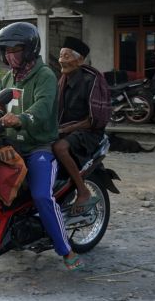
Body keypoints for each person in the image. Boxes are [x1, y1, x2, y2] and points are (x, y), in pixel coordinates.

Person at [0, 22, 83, 271]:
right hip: (13, 145)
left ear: (30, 49)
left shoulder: (45, 76)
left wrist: (22, 118)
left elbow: (42, 107)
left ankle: (66, 250)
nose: (10, 55)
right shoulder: (9, 78)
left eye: (15, 49)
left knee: (41, 195)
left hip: (39, 147)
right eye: (6, 51)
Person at [53, 37, 110, 216]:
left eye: (67, 56)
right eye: (61, 55)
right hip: (66, 130)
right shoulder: (61, 81)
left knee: (59, 148)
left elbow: (93, 120)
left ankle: (82, 191)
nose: (62, 60)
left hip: (88, 132)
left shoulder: (91, 81)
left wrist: (64, 129)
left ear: (79, 60)